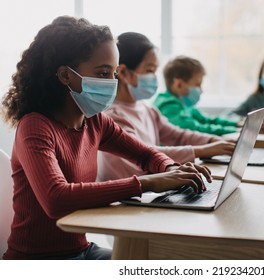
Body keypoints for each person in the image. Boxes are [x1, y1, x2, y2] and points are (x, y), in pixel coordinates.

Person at [1, 16, 211, 260]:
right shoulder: (35, 127)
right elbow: (56, 199)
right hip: (36, 261)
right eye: (102, 73)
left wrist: (173, 170)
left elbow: (145, 154)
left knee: (150, 261)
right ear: (65, 76)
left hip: (81, 250)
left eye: (113, 74)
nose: (111, 83)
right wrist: (148, 182)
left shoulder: (95, 121)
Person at [98, 32, 235, 180]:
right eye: (149, 70)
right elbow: (145, 153)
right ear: (124, 72)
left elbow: (179, 136)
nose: (154, 77)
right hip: (128, 199)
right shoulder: (113, 116)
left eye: (155, 71)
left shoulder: (148, 110)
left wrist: (213, 140)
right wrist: (202, 150)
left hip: (150, 190)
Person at [153, 56, 240, 136]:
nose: (201, 90)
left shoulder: (184, 103)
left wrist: (236, 124)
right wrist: (235, 131)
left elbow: (205, 119)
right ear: (179, 84)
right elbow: (195, 129)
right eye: (197, 84)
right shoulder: (168, 106)